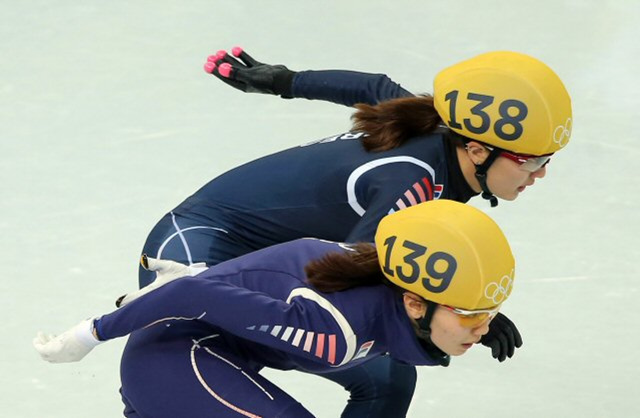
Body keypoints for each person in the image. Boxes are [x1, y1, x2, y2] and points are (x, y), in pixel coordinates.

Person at [132, 48, 571, 417]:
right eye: (531, 161)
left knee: (390, 379)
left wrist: (283, 80)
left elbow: (373, 88)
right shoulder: (412, 181)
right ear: (477, 149)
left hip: (259, 251)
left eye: (547, 159)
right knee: (219, 365)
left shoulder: (442, 131)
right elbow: (353, 265)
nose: (540, 173)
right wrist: (464, 309)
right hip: (197, 244)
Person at [34, 200, 517, 418]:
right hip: (177, 356)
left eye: (488, 313)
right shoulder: (334, 331)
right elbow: (190, 297)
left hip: (213, 354)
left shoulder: (383, 276)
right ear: (414, 302)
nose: (480, 328)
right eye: (472, 315)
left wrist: (477, 309)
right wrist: (87, 336)